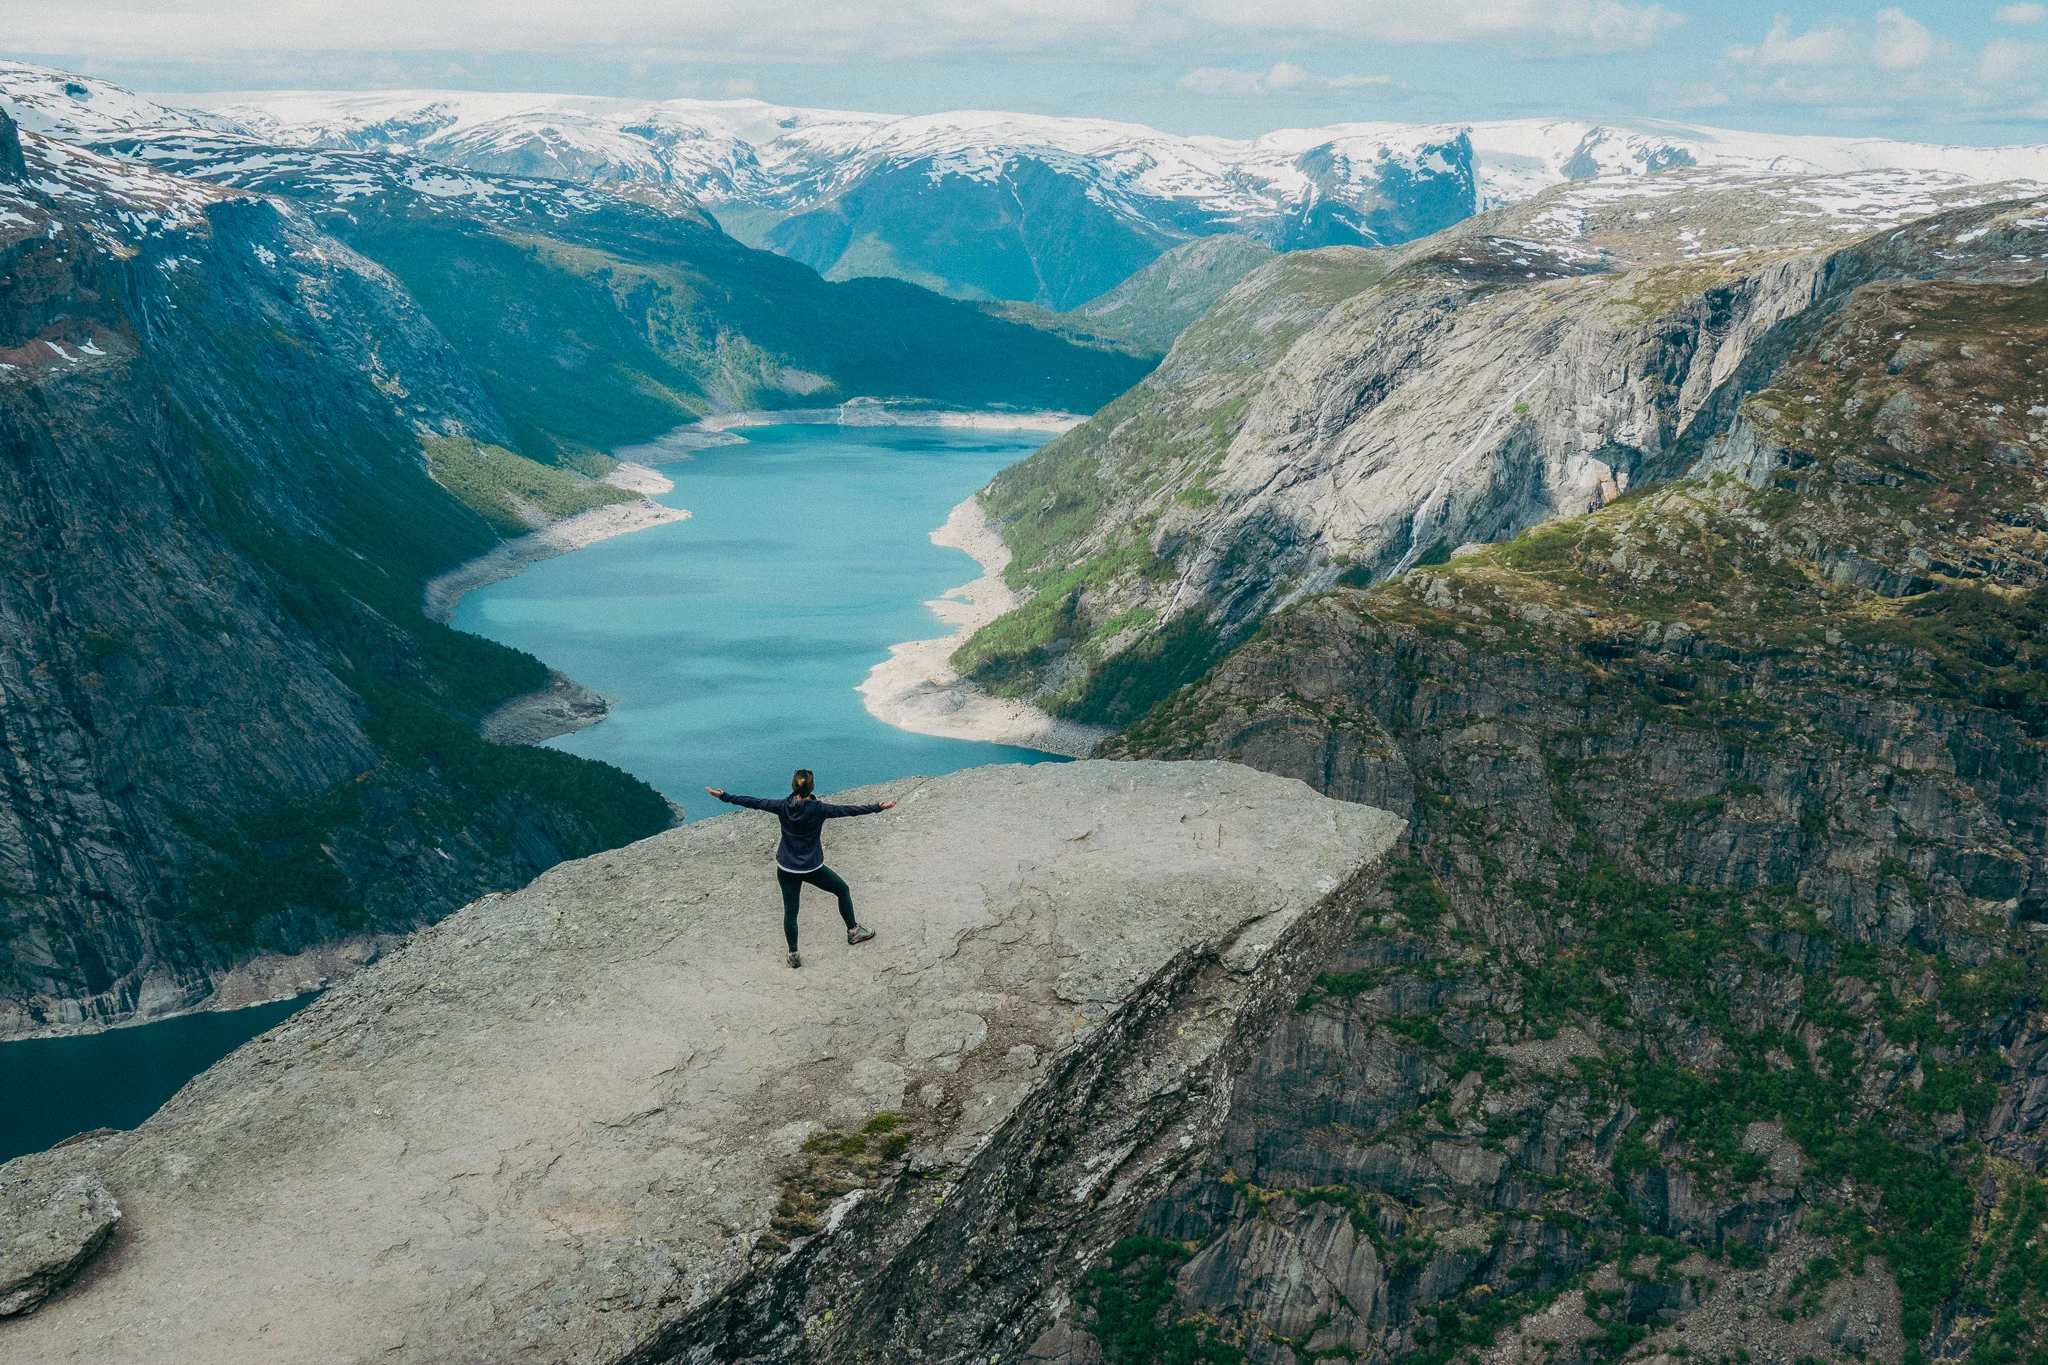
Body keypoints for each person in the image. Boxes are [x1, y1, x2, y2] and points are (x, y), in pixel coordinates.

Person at [706, 770, 895, 968]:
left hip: (786, 868)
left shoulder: (781, 806)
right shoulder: (820, 809)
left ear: (793, 786)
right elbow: (848, 810)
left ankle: (793, 954)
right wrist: (878, 807)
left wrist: (724, 797)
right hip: (812, 867)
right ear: (812, 788)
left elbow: (754, 802)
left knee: (791, 911)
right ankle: (854, 932)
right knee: (842, 890)